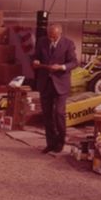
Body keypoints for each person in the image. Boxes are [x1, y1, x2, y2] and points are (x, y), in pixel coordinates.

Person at [32, 23, 78, 154]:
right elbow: (36, 56)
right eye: (49, 36)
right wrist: (35, 61)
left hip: (61, 85)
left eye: (53, 36)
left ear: (60, 33)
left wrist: (61, 67)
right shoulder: (41, 42)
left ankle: (60, 142)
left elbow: (74, 62)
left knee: (59, 113)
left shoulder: (68, 44)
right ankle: (50, 143)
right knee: (47, 115)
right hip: (45, 83)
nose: (51, 39)